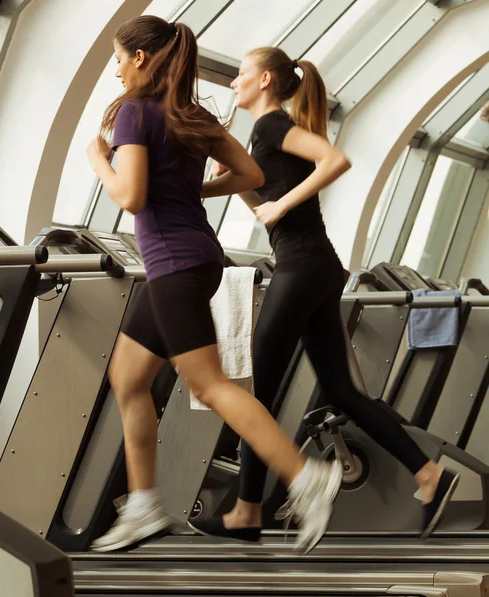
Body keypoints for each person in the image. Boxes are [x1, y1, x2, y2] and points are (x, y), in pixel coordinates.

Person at [86, 16, 344, 554]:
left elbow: (130, 197)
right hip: (194, 257)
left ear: (138, 58)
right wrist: (189, 190)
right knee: (128, 377)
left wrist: (100, 161)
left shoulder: (133, 113)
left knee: (208, 384)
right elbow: (251, 176)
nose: (114, 70)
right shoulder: (193, 115)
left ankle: (306, 476)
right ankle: (143, 505)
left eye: (116, 59)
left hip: (175, 262)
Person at [188, 47, 460, 544]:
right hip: (315, 266)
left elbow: (335, 160)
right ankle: (428, 474)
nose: (233, 83)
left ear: (265, 80)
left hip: (303, 266)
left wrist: (281, 205)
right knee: (340, 389)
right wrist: (210, 192)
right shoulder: (260, 134)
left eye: (241, 74)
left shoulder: (272, 126)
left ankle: (247, 511)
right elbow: (259, 195)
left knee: (256, 397)